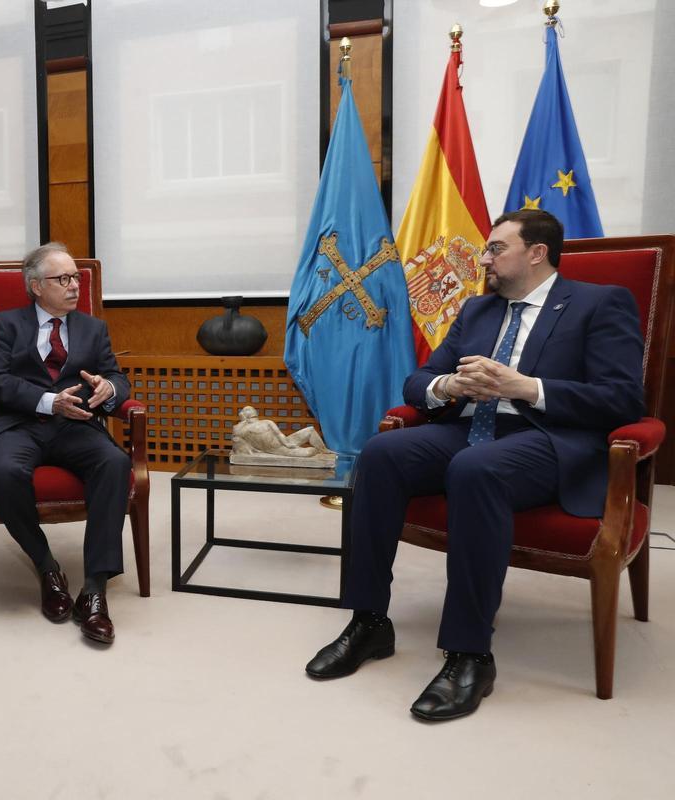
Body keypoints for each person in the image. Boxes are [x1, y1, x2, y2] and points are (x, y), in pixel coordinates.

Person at [305, 209, 645, 721]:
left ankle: (469, 654)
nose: (483, 257)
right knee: (379, 454)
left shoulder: (598, 304)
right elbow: (419, 381)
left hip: (547, 439)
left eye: (495, 248)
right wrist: (449, 387)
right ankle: (369, 620)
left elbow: (622, 399)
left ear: (536, 253)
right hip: (467, 428)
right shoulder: (477, 311)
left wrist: (524, 387)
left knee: (475, 468)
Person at [0, 242, 132, 644]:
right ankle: (46, 566)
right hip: (17, 423)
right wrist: (49, 401)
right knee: (3, 472)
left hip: (74, 425)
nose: (74, 285)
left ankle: (95, 590)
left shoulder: (92, 328)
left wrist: (106, 388)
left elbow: (117, 376)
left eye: (75, 277)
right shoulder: (4, 324)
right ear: (35, 286)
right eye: (62, 278)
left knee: (114, 462)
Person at [231, 406, 331, 458]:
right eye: (246, 409)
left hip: (283, 443)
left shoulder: (267, 422)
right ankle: (317, 451)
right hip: (277, 450)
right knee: (308, 452)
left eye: (250, 409)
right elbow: (236, 436)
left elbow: (279, 434)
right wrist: (243, 421)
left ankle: (324, 450)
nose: (250, 410)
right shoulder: (242, 429)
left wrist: (287, 444)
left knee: (310, 430)